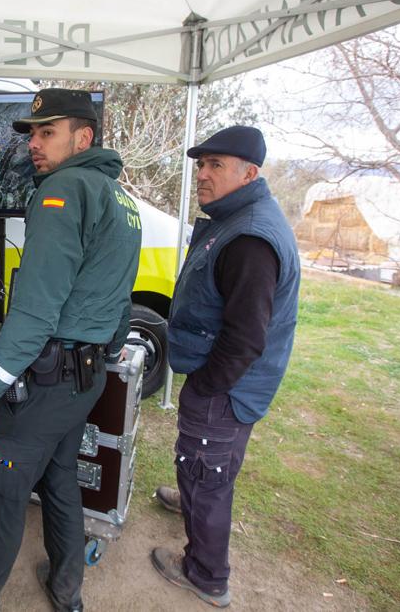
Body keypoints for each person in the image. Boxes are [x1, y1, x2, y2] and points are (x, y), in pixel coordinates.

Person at [0, 89, 141, 612]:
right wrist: (106, 348)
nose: (34, 143)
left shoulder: (63, 190)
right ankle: (66, 591)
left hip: (48, 381)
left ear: (84, 137)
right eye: (33, 133)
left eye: (47, 132)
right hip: (84, 377)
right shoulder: (121, 198)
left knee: (6, 494)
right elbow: (119, 294)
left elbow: (35, 306)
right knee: (59, 480)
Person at [149, 126, 301, 608]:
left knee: (207, 468)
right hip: (225, 380)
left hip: (226, 388)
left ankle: (206, 574)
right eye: (201, 164)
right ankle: (192, 490)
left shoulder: (251, 238)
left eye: (216, 165)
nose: (203, 174)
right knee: (204, 463)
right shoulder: (236, 217)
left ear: (249, 173)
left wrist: (206, 389)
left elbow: (245, 337)